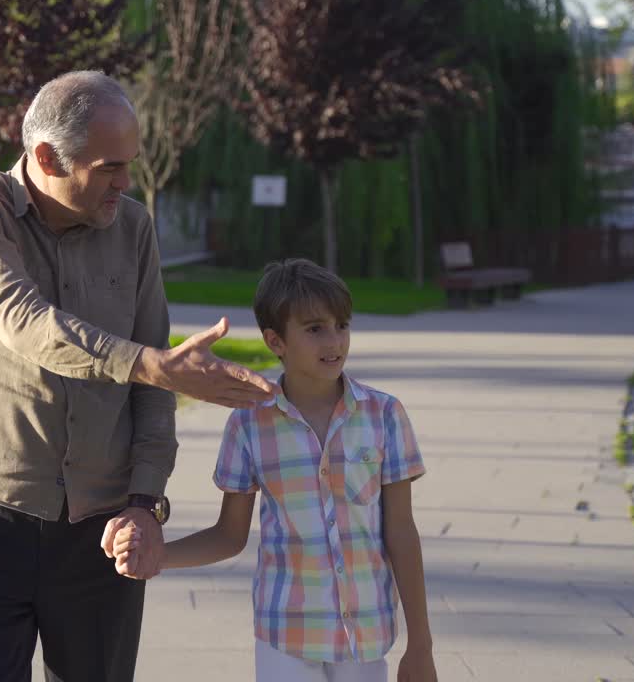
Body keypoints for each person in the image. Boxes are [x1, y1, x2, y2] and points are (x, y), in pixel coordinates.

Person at [0, 70, 276, 682]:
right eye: (109, 167)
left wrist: (145, 504)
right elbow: (25, 322)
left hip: (103, 534)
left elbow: (153, 387)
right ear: (45, 157)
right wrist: (155, 367)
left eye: (129, 163)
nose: (126, 181)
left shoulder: (134, 227)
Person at [109, 258, 437, 682]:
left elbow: (401, 534)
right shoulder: (249, 423)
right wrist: (160, 557)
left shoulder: (385, 415)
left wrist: (421, 646)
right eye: (315, 328)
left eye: (342, 325)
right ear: (275, 341)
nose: (334, 340)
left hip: (367, 635)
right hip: (285, 636)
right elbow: (229, 535)